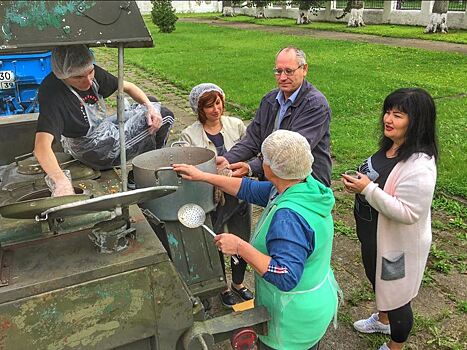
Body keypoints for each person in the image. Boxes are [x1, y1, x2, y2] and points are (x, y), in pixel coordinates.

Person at [173, 130, 339, 350]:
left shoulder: (288, 219)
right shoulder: (304, 187)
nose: (261, 163)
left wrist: (240, 246)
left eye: (262, 159)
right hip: (316, 299)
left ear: (272, 169)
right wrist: (203, 176)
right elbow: (247, 188)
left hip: (292, 319)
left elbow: (286, 276)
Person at [342, 88, 438, 350]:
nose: (388, 118)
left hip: (396, 250)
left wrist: (367, 189)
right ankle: (383, 320)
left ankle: (395, 344)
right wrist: (361, 186)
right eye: (388, 111)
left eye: (398, 115)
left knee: (398, 298)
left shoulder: (420, 166)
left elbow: (409, 213)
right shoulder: (394, 146)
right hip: (372, 237)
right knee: (378, 281)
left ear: (416, 122)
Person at [34, 44, 174, 196]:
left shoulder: (86, 70)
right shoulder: (52, 94)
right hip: (93, 149)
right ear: (61, 75)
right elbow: (41, 147)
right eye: (78, 78)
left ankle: (144, 164)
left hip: (101, 129)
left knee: (151, 104)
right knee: (165, 116)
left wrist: (149, 107)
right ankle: (141, 175)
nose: (88, 82)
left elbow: (128, 86)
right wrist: (61, 181)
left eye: (90, 72)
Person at [180, 83, 253, 307]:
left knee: (242, 240)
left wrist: (246, 168)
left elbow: (251, 153)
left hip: (240, 194)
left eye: (218, 103)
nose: (215, 109)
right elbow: (187, 168)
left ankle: (238, 283)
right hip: (212, 199)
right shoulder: (189, 135)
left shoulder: (237, 125)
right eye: (208, 106)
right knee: (218, 241)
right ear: (198, 109)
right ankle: (222, 286)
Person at [217, 46, 332, 187]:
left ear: (304, 69)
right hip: (277, 181)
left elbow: (290, 152)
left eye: (289, 71)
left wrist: (251, 167)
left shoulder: (315, 105)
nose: (283, 77)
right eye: (278, 71)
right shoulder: (270, 99)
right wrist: (227, 159)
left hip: (307, 185)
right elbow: (253, 139)